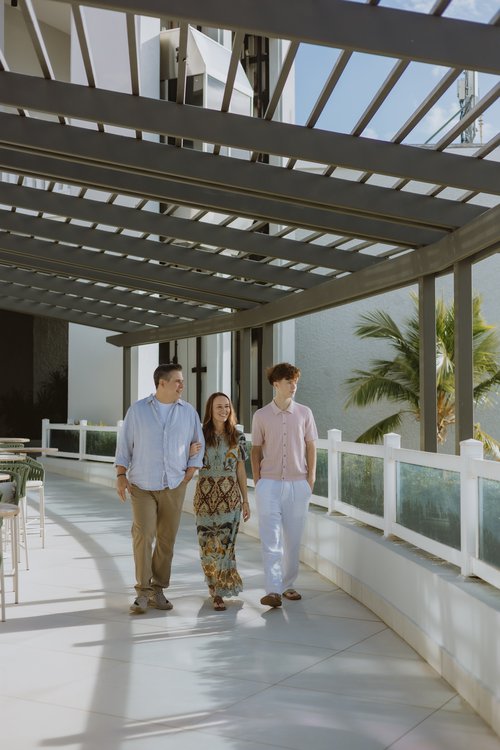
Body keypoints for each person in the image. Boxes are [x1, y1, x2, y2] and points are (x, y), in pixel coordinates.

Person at [115, 363, 205, 614]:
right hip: (142, 485)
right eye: (177, 381)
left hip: (174, 485)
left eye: (182, 381)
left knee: (167, 539)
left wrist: (189, 472)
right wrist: (121, 474)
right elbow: (124, 446)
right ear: (162, 383)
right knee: (143, 535)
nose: (182, 385)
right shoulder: (138, 410)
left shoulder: (188, 412)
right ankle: (142, 592)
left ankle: (158, 589)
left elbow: (198, 444)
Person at [251, 362, 317, 608]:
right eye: (289, 381)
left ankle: (288, 585)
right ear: (276, 384)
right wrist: (258, 481)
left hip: (298, 484)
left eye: (295, 381)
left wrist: (311, 479)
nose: (294, 386)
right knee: (271, 539)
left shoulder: (305, 413)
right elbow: (255, 449)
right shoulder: (261, 416)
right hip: (268, 485)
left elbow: (311, 446)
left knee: (293, 539)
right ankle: (273, 590)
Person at [193, 392, 250, 611]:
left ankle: (219, 591)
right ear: (210, 409)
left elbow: (241, 470)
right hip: (205, 498)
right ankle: (212, 584)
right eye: (219, 406)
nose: (224, 410)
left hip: (230, 499)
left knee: (226, 547)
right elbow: (187, 461)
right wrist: (189, 451)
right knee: (207, 546)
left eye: (227, 406)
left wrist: (245, 501)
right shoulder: (199, 434)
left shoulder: (238, 436)